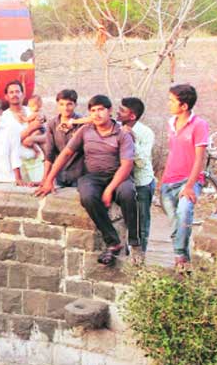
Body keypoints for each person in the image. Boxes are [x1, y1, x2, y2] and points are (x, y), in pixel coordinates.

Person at [36, 95, 136, 267]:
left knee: (128, 193)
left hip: (118, 175)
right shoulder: (85, 130)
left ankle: (134, 242)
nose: (97, 114)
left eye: (101, 110)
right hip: (93, 176)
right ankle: (113, 241)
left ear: (109, 111)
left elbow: (127, 165)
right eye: (93, 110)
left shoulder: (122, 133)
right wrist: (49, 180)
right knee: (87, 196)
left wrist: (109, 189)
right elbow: (65, 154)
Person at [160, 84, 209, 268]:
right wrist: (163, 180)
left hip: (188, 180)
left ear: (184, 106)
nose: (169, 104)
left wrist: (190, 185)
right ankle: (183, 261)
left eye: (172, 101)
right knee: (175, 224)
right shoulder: (171, 123)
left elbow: (199, 158)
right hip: (169, 180)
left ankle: (180, 256)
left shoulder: (199, 125)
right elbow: (172, 153)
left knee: (184, 212)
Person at [117, 97, 155, 263]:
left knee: (141, 222)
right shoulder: (117, 127)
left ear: (132, 116)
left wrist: (131, 139)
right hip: (123, 182)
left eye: (122, 110)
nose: (118, 113)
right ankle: (125, 254)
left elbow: (141, 161)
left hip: (141, 183)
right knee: (124, 219)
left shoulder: (146, 133)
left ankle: (140, 258)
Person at [1, 80, 45, 183]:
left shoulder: (33, 111)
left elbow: (46, 136)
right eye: (11, 92)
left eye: (17, 91)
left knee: (41, 194)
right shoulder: (3, 118)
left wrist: (31, 138)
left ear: (23, 95)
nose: (14, 95)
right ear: (6, 97)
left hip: (36, 161)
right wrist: (31, 128)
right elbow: (8, 143)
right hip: (17, 165)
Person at [43, 89, 85, 188]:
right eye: (61, 104)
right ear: (57, 105)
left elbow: (97, 119)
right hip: (60, 175)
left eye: (69, 104)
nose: (65, 108)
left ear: (75, 104)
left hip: (80, 175)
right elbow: (49, 153)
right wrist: (45, 178)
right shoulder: (52, 124)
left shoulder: (83, 123)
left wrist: (74, 122)